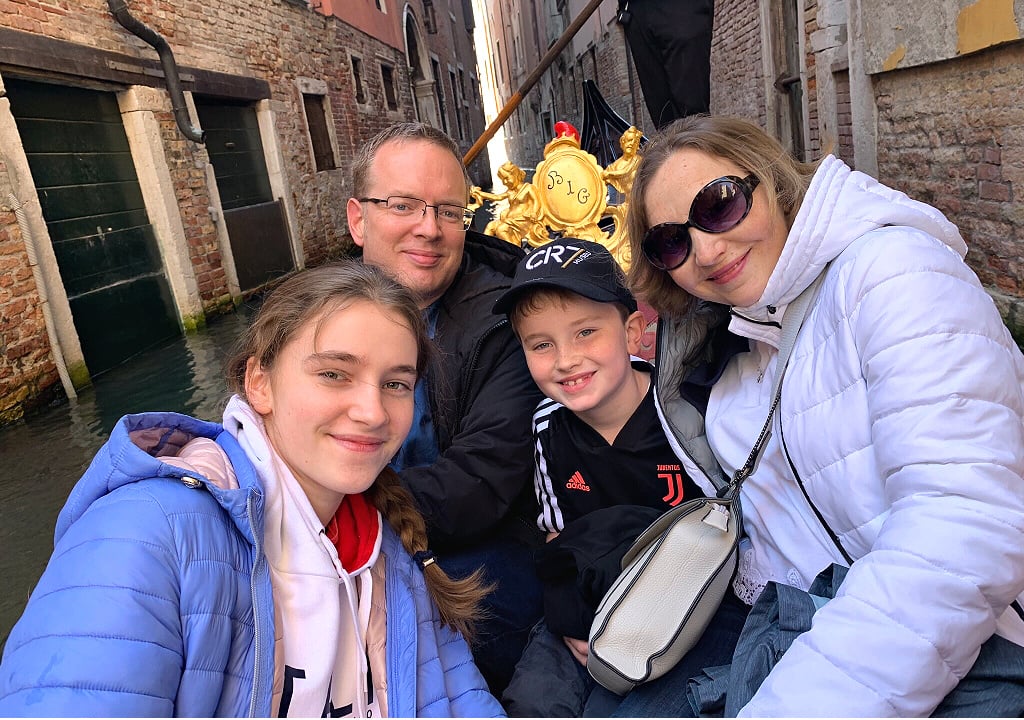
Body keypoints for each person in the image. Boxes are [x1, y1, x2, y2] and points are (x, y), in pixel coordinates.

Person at [619, 114, 1024, 716]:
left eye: (720, 204)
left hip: (966, 646)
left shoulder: (893, 274)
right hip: (790, 626)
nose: (705, 250)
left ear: (774, 185)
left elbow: (964, 529)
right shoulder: (735, 344)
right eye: (672, 241)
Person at [0, 262, 503, 717]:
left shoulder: (385, 546)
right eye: (334, 374)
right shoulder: (142, 537)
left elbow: (457, 700)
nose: (372, 413)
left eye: (396, 384)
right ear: (259, 381)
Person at [346, 122, 545, 695]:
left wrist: (345, 515)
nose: (428, 229)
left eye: (449, 212)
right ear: (359, 219)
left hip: (481, 541)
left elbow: (484, 477)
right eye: (404, 205)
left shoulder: (508, 320)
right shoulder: (319, 316)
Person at [491, 239, 708, 716]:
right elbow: (558, 536)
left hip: (686, 602)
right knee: (534, 700)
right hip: (589, 600)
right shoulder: (547, 427)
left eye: (586, 332)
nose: (565, 359)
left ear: (632, 332)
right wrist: (571, 618)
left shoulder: (684, 416)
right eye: (541, 344)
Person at [616, 0, 714, 128]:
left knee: (693, 114)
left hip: (680, 7)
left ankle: (697, 145)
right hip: (635, 8)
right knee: (663, 120)